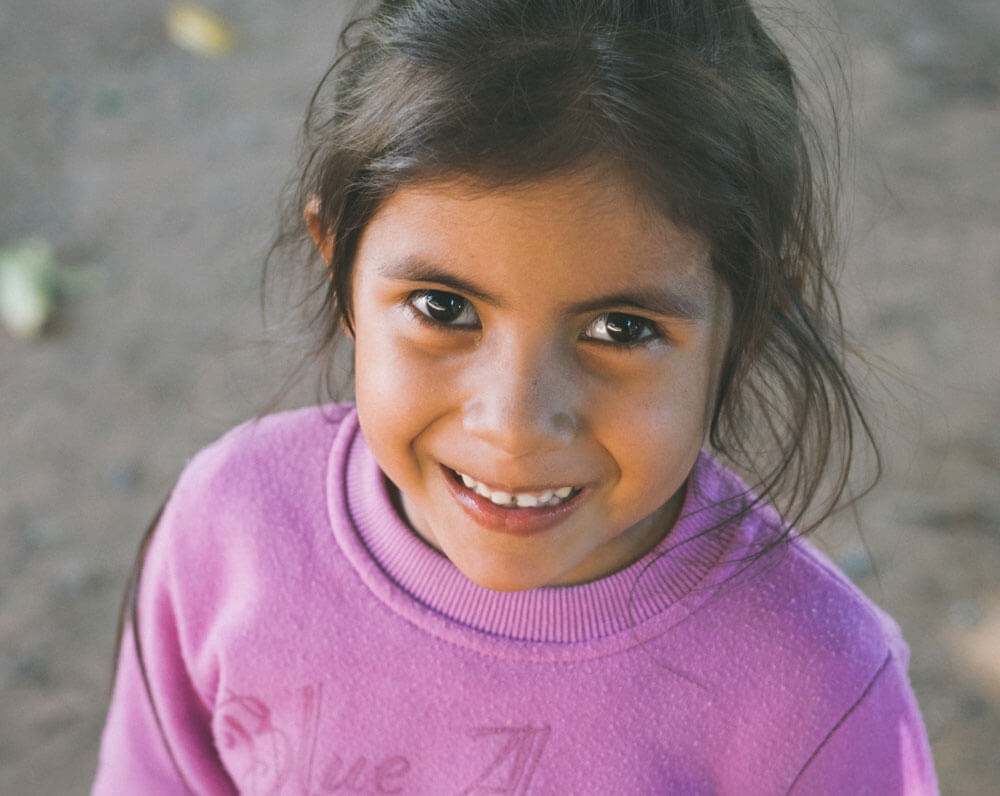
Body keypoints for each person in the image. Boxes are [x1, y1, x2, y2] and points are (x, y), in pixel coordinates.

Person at [93, 1, 939, 793]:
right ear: (340, 268)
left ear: (749, 327)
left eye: (620, 328)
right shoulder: (232, 530)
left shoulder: (817, 691)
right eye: (442, 309)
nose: (514, 422)